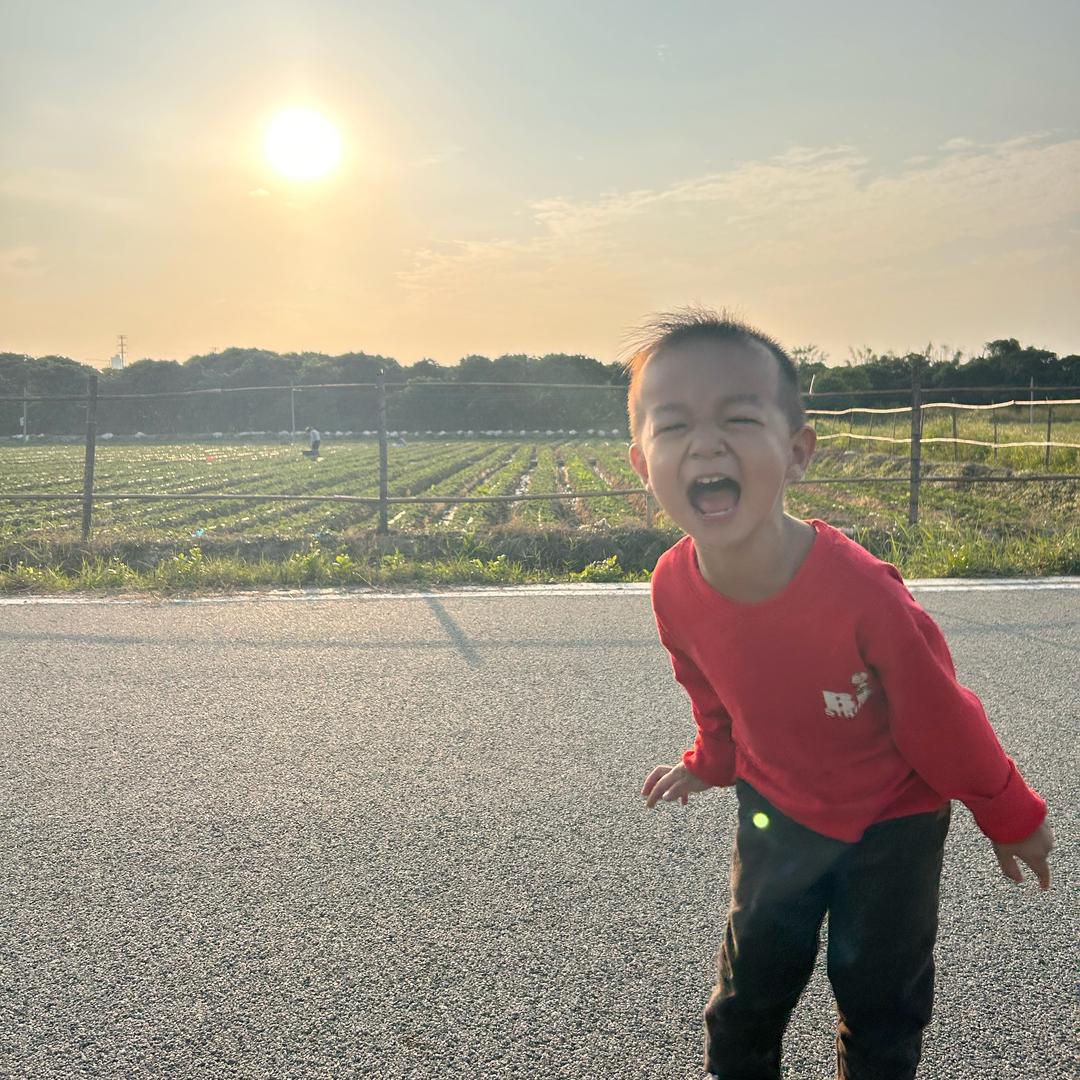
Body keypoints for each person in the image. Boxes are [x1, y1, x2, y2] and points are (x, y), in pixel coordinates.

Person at [628, 307, 1053, 1080]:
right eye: (675, 423)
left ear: (796, 454)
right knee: (747, 998)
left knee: (878, 1000)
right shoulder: (671, 586)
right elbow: (711, 692)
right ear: (641, 463)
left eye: (739, 417)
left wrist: (1009, 813)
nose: (707, 442)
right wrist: (710, 760)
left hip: (895, 822)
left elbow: (941, 720)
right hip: (776, 811)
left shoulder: (863, 593)